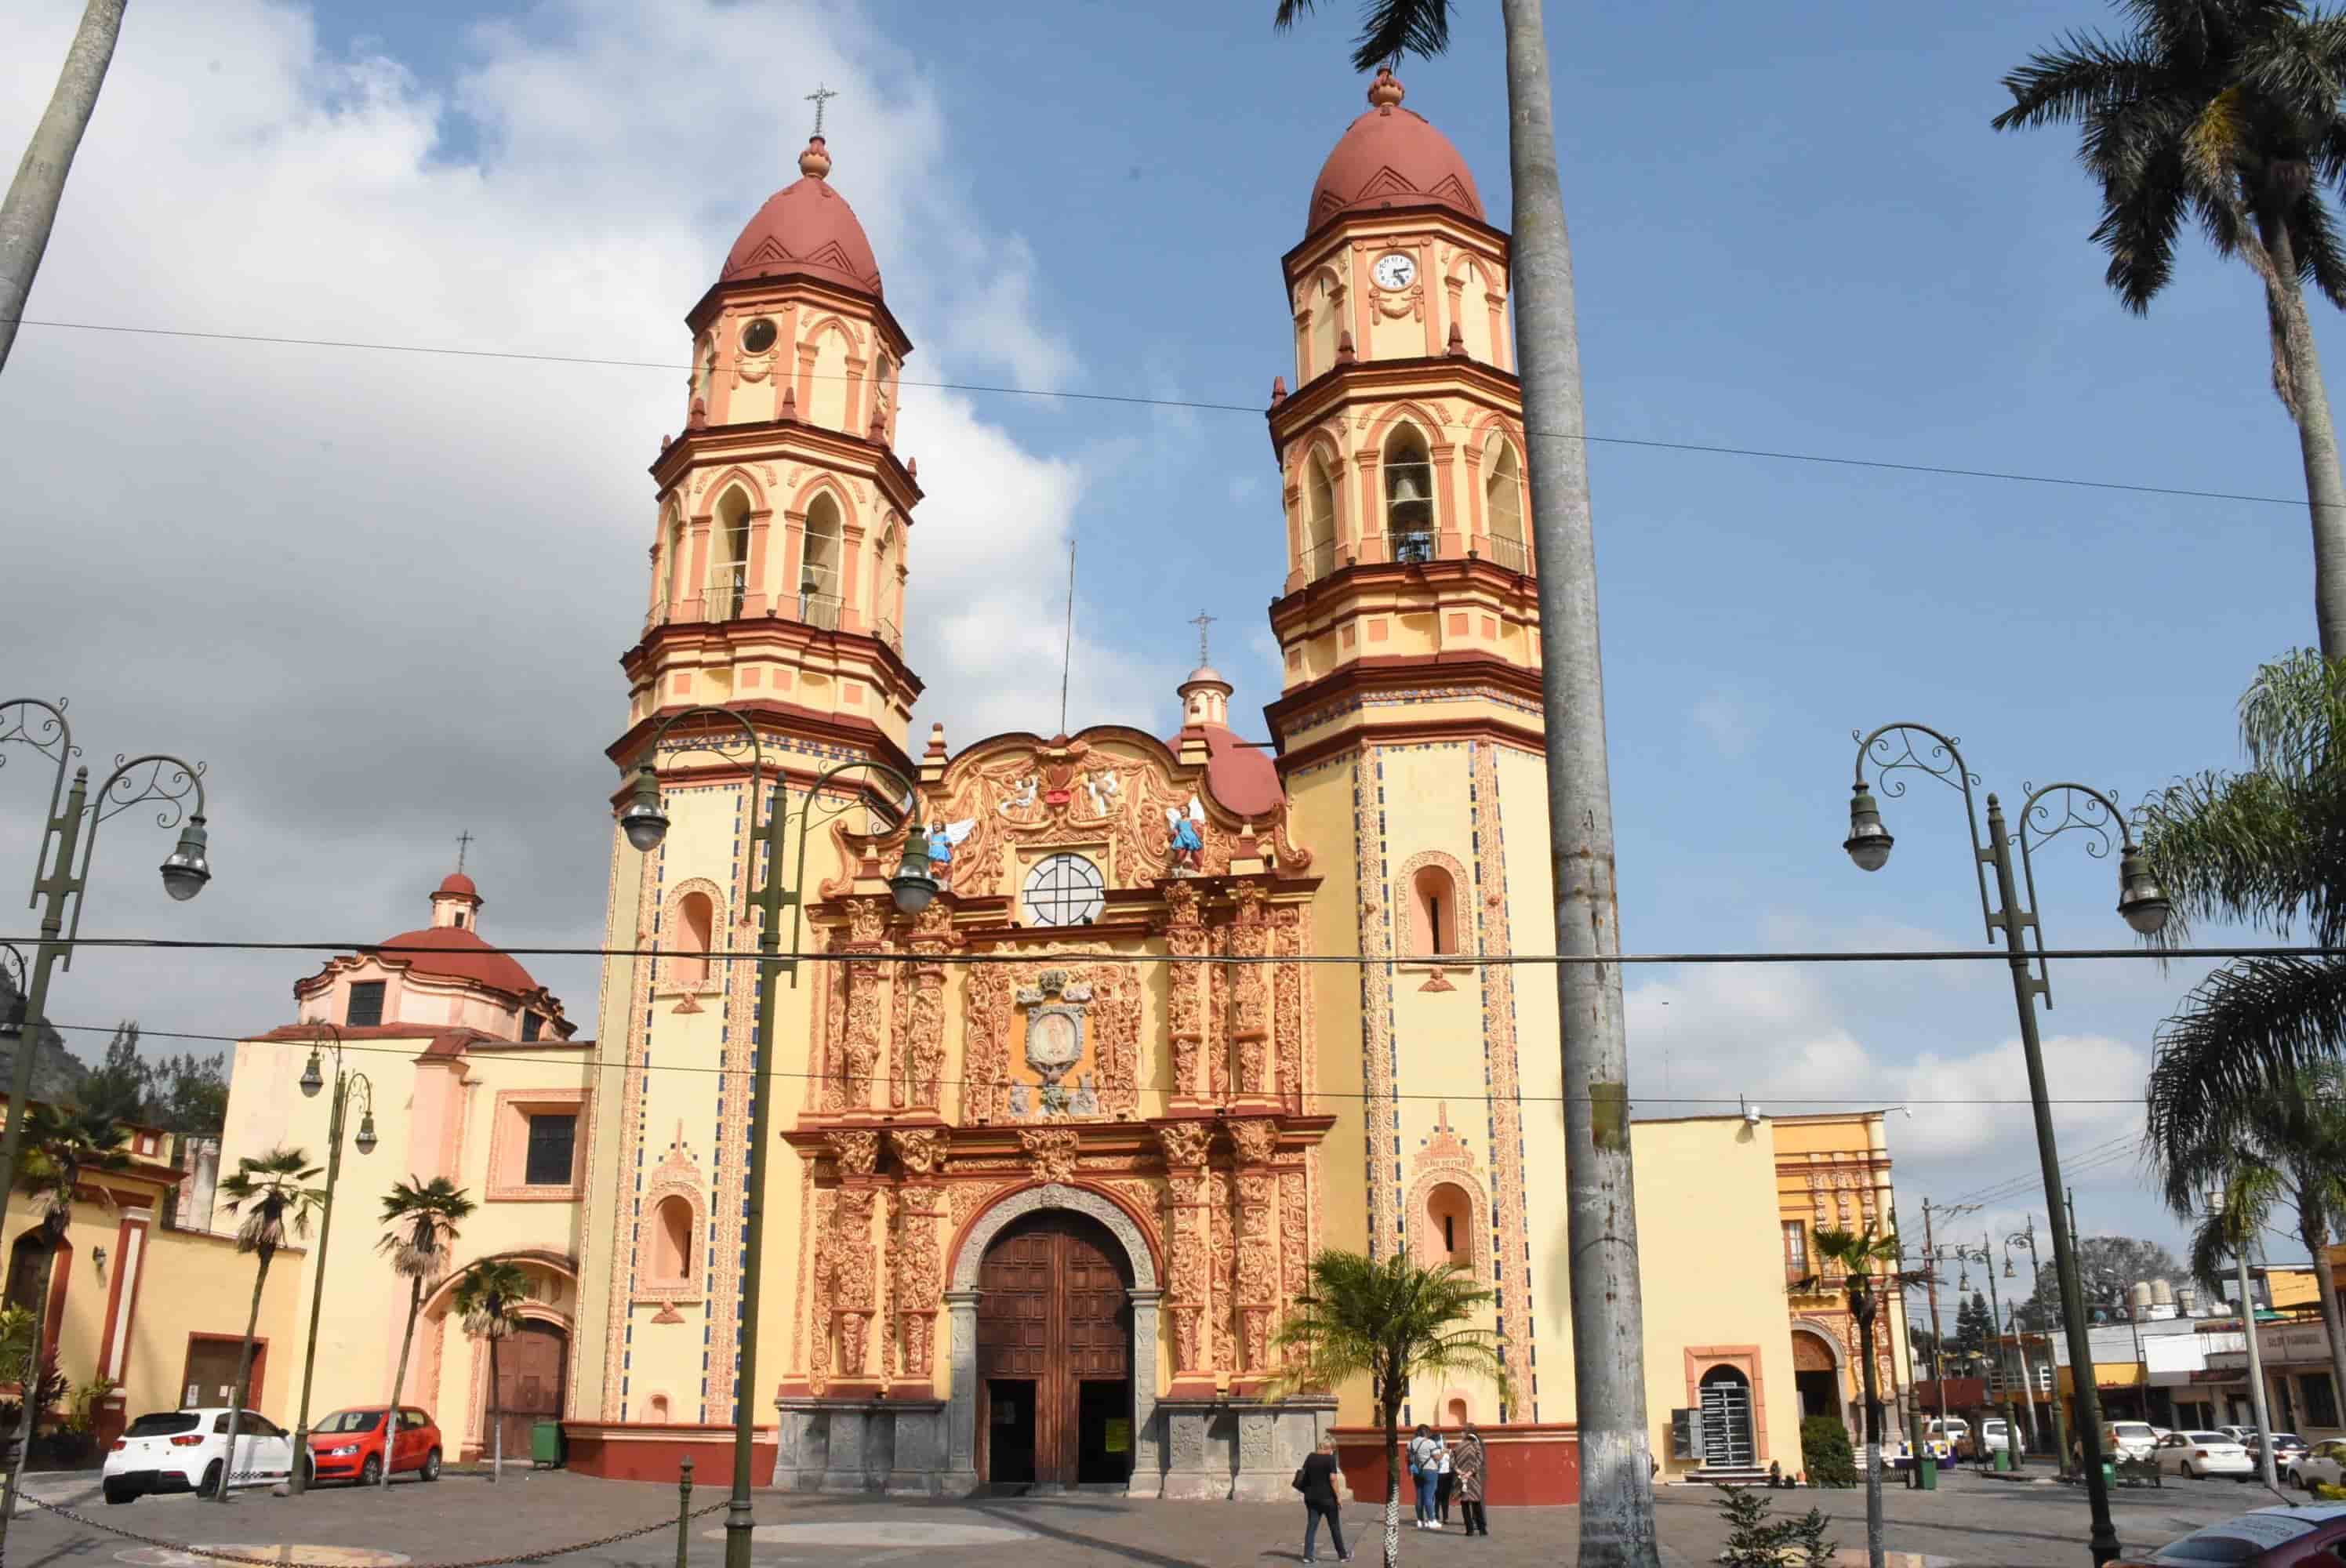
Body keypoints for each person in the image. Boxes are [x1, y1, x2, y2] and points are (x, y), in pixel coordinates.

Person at [1298, 1436, 1350, 1563]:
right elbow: (1333, 1479)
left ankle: (1308, 1556)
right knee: (1334, 1527)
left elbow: (1304, 1473)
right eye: (1333, 1449)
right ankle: (1342, 1555)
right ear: (1330, 1448)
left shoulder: (1310, 1457)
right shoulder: (1330, 1459)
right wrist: (1338, 1497)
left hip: (1311, 1498)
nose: (1333, 1452)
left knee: (1311, 1526)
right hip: (1327, 1498)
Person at [1454, 1424, 1489, 1537]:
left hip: (1462, 1478)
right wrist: (1471, 1472)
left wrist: (1460, 1472)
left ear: (1464, 1434)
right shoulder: (1476, 1446)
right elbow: (1480, 1460)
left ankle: (1469, 1530)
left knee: (1465, 1505)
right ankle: (1482, 1529)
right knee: (1476, 1503)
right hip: (1474, 1478)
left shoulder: (1458, 1446)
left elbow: (1451, 1462)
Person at [1407, 1424, 1442, 1529]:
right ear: (1426, 1432)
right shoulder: (1430, 1443)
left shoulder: (1411, 1443)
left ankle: (1420, 1520)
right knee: (1429, 1496)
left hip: (1418, 1472)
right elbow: (1437, 1457)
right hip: (1430, 1470)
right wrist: (1444, 1452)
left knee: (1419, 1496)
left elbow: (1409, 1458)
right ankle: (1431, 1520)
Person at [1435, 1435, 1456, 1524]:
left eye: (1445, 1441)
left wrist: (1450, 1453)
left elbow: (1455, 1460)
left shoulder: (1450, 1451)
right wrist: (1443, 1453)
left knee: (1445, 1498)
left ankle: (1446, 1517)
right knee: (1437, 1497)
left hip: (1448, 1475)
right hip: (1438, 1475)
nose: (1444, 1443)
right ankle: (1436, 1516)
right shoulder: (1437, 1451)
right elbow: (1437, 1460)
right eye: (1442, 1441)